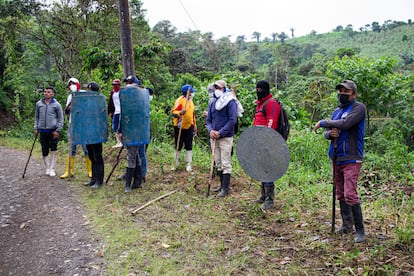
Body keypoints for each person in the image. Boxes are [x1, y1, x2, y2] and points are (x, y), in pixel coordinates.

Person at [313, 80, 367, 243]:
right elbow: (329, 132)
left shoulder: (358, 108)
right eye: (340, 91)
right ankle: (346, 225)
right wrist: (329, 134)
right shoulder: (337, 111)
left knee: (350, 193)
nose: (342, 94)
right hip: (337, 157)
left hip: (352, 157)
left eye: (346, 91)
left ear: (354, 94)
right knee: (341, 193)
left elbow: (346, 124)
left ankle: (360, 231)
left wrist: (323, 123)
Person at [252, 80, 281, 209]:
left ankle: (270, 199)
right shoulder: (260, 104)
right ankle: (263, 195)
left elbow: (271, 123)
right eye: (257, 89)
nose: (258, 91)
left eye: (260, 89)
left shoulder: (272, 104)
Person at [206, 80, 237, 197]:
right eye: (215, 88)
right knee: (218, 162)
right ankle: (220, 185)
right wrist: (211, 130)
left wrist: (221, 132)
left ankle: (225, 189)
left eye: (219, 88)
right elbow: (209, 120)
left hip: (225, 137)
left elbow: (232, 120)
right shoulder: (213, 103)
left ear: (224, 89)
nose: (217, 90)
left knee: (225, 163)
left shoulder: (230, 102)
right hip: (214, 137)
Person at [60, 78, 92, 179]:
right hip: (72, 123)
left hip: (83, 123)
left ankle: (90, 170)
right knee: (71, 147)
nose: (71, 85)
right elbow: (66, 111)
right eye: (70, 84)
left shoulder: (84, 94)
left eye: (73, 83)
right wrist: (70, 105)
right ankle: (69, 171)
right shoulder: (70, 96)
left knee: (86, 147)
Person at [118, 75, 144, 192]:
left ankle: (128, 184)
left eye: (130, 82)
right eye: (127, 82)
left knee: (132, 157)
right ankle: (137, 181)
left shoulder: (140, 97)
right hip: (129, 130)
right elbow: (123, 115)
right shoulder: (126, 98)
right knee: (135, 156)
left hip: (137, 131)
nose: (127, 84)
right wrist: (120, 130)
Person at [34, 86, 64, 177]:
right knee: (44, 149)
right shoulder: (39, 104)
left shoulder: (56, 104)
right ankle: (47, 167)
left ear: (52, 94)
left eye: (48, 92)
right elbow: (36, 117)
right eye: (45, 91)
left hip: (53, 131)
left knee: (53, 149)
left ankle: (52, 168)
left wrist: (58, 130)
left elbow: (60, 118)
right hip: (42, 130)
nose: (46, 93)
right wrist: (36, 128)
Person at [82, 82, 106, 188]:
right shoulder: (87, 101)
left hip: (97, 132)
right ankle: (93, 179)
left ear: (90, 88)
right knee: (91, 155)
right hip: (88, 131)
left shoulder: (99, 100)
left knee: (97, 156)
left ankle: (99, 181)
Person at [171, 84, 197, 172]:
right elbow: (174, 112)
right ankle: (176, 163)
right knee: (178, 145)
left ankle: (188, 164)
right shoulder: (180, 100)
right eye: (191, 92)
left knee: (189, 145)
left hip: (189, 126)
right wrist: (180, 113)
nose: (192, 94)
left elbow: (192, 115)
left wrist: (194, 125)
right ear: (187, 93)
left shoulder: (191, 101)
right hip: (179, 126)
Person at [107, 78, 123, 148]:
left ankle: (122, 142)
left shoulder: (122, 92)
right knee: (115, 127)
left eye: (116, 85)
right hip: (115, 112)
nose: (115, 86)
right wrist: (110, 111)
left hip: (122, 112)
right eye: (114, 85)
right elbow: (110, 103)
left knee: (120, 128)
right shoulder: (113, 93)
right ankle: (118, 142)